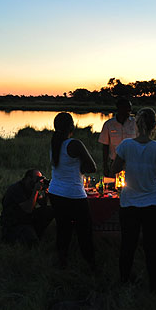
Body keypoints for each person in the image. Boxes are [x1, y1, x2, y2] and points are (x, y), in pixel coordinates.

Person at [111, 107, 156, 293]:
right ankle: (154, 286)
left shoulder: (126, 145)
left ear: (136, 124)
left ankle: (123, 281)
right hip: (154, 203)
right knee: (152, 247)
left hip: (129, 204)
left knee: (128, 245)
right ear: (154, 125)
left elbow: (114, 170)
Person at [48, 112, 97, 269]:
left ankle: (62, 262)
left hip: (55, 192)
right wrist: (81, 167)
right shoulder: (74, 144)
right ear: (71, 126)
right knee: (84, 231)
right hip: (74, 194)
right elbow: (92, 167)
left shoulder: (55, 143)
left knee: (63, 229)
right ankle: (90, 264)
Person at [0, 169, 55, 246]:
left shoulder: (30, 187)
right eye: (37, 179)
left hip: (26, 218)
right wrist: (35, 191)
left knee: (49, 210)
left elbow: (43, 204)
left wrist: (47, 192)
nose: (39, 181)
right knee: (32, 242)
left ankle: (37, 232)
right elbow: (28, 209)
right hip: (14, 222)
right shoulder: (16, 189)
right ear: (28, 179)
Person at [98, 97, 136, 178]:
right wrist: (105, 165)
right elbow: (105, 146)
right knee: (113, 187)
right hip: (114, 162)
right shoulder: (109, 124)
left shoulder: (135, 123)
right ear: (119, 108)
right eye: (127, 108)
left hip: (132, 163)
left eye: (130, 108)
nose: (129, 110)